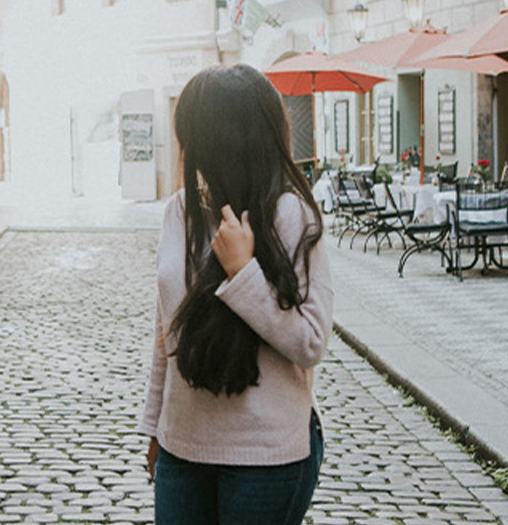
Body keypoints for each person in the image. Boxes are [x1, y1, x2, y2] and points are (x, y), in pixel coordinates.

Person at [137, 64, 334, 525]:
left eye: (194, 135)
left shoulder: (291, 216)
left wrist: (243, 273)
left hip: (266, 458)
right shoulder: (180, 212)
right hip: (182, 449)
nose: (188, 151)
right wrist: (154, 428)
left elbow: (310, 343)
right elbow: (167, 330)